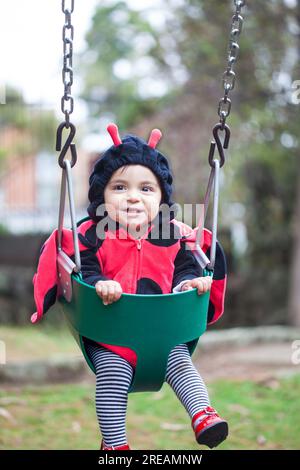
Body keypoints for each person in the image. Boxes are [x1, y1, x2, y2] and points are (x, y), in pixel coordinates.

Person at [79, 123, 228, 450]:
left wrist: (191, 283)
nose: (132, 196)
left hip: (163, 336)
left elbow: (185, 270)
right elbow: (84, 270)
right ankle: (115, 446)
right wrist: (99, 283)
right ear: (102, 195)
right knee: (113, 376)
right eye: (119, 188)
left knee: (181, 365)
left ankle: (203, 414)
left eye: (146, 188)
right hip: (111, 337)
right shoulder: (92, 235)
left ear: (161, 198)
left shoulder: (175, 236)